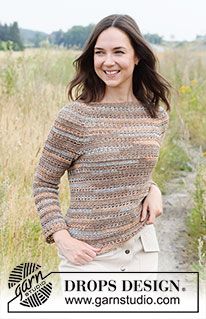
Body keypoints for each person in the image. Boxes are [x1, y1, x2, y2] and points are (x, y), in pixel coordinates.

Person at [32, 14, 171, 276]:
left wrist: (153, 188)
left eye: (118, 52)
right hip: (88, 258)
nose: (108, 62)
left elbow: (132, 171)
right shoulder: (76, 117)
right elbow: (43, 183)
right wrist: (62, 238)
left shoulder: (155, 116)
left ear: (137, 56)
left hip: (142, 250)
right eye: (100, 53)